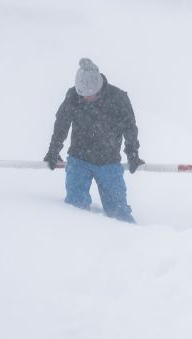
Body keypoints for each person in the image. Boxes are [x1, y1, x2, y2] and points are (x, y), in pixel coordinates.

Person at [43, 58, 145, 223]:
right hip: (78, 160)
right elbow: (61, 123)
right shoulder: (73, 96)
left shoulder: (118, 98)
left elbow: (130, 128)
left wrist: (132, 153)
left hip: (109, 163)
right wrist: (53, 151)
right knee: (74, 209)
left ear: (98, 86)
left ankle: (128, 241)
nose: (86, 98)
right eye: (82, 94)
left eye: (90, 94)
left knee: (118, 213)